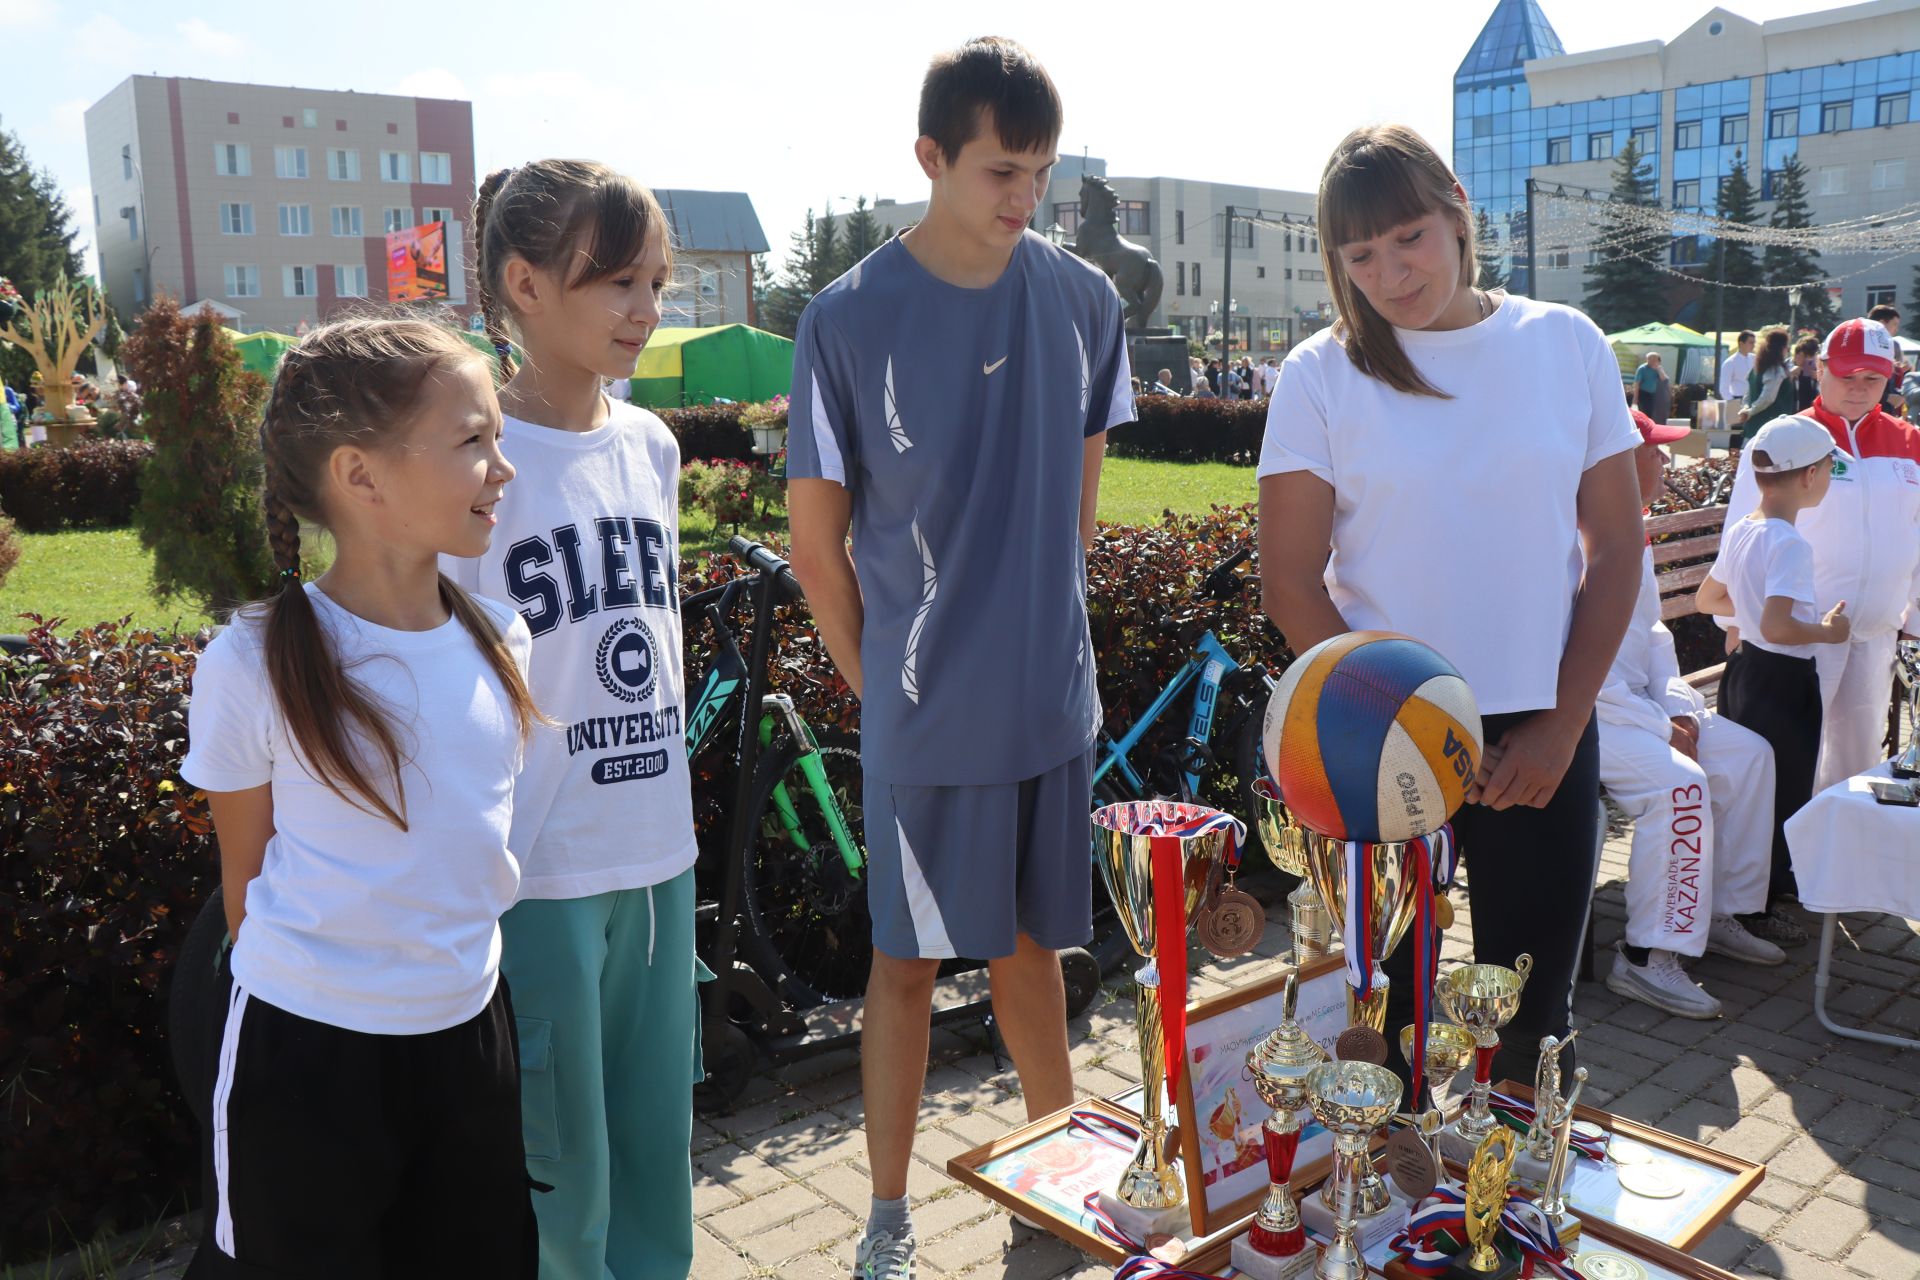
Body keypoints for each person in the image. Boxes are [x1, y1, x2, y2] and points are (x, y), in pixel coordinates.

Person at [784, 38, 1132, 1280]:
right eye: (999, 168)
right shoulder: (846, 318)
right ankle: (887, 1215)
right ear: (929, 158)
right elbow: (817, 551)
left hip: (1051, 703)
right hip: (927, 719)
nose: (1022, 196)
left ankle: (1060, 1175)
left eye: (1039, 171)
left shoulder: (1089, 303)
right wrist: (886, 691)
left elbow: (1081, 519)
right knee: (905, 961)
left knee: (1037, 949)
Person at [1259, 124, 1643, 1090]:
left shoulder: (1566, 345)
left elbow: (1616, 549)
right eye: (1361, 255)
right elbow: (1291, 582)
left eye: (1408, 238)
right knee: (1384, 1019)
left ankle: (1507, 1216)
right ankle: (1388, 1216)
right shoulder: (1320, 374)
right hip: (1376, 740)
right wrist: (1397, 726)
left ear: (1457, 212)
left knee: (1528, 1023)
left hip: (1540, 732)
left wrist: (1562, 724)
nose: (1390, 272)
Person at [178, 317, 539, 1277]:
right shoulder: (251, 661)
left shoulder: (504, 636)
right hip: (309, 1061)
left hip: (469, 1039)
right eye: (473, 441)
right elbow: (245, 885)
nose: (502, 467)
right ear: (361, 475)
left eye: (498, 437)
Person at [449, 159, 702, 1280]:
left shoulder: (652, 445)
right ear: (526, 284)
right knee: (566, 1187)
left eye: (656, 279)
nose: (646, 308)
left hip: (659, 851)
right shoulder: (471, 462)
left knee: (659, 1163)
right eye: (617, 282)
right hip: (539, 871)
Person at [1598, 409, 1783, 1020]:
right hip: (1587, 717)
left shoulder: (1632, 527)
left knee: (1750, 756)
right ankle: (1648, 957)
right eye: (1656, 450)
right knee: (1682, 786)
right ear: (1618, 462)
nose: (1666, 460)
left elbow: (1651, 635)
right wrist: (1662, 727)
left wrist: (1680, 709)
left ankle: (1713, 913)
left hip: (1640, 707)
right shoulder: (1570, 541)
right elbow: (1571, 670)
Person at [1717, 318, 1920, 839]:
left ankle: (1838, 858)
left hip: (1874, 630)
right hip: (1799, 635)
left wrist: (1914, 617)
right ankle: (1778, 867)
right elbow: (1745, 522)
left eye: (1872, 379)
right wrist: (1736, 619)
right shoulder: (1786, 437)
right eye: (1848, 375)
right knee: (1791, 753)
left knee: (1855, 754)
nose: (1858, 388)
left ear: (1889, 379)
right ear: (1822, 369)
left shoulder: (1909, 441)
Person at [1697, 415, 1851, 941]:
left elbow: (1707, 599)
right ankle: (1753, 909)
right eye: (1830, 467)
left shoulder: (1745, 528)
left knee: (1748, 788)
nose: (1830, 476)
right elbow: (1780, 626)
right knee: (1780, 790)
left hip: (1744, 674)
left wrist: (1746, 621)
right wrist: (1830, 632)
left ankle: (1742, 894)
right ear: (1809, 476)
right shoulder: (1790, 545)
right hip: (1783, 683)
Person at [1733, 326, 1793, 440]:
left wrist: (1746, 409)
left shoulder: (1756, 368)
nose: (1788, 350)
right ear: (1781, 348)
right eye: (1786, 346)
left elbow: (1747, 395)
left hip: (1753, 428)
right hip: (1770, 429)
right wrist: (1749, 411)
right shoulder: (1776, 370)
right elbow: (1767, 398)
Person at [1868, 303, 1908, 417]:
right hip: (1868, 413)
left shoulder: (1889, 345)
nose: (1896, 329)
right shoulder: (1866, 346)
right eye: (1894, 324)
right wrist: (1887, 397)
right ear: (1882, 323)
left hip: (1885, 413)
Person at [1720, 330, 1756, 406]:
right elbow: (1723, 388)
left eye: (1754, 343)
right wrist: (1733, 404)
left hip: (1754, 399)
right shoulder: (1730, 363)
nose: (1753, 345)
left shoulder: (1754, 359)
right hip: (1738, 399)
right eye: (1750, 343)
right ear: (1741, 344)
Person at [1635, 351, 1670, 421]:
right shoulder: (1642, 369)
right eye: (1649, 359)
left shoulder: (1658, 369)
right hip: (1643, 393)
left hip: (1654, 394)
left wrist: (1659, 369)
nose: (1651, 361)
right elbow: (1637, 384)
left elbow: (1664, 379)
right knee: (1644, 412)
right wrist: (1635, 398)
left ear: (1658, 360)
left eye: (1654, 359)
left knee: (1651, 413)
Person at [1792, 335, 1821, 412]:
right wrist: (1790, 376)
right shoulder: (1788, 369)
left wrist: (1819, 378)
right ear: (1796, 355)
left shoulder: (1819, 372)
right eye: (1804, 356)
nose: (1806, 362)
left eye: (1811, 359)